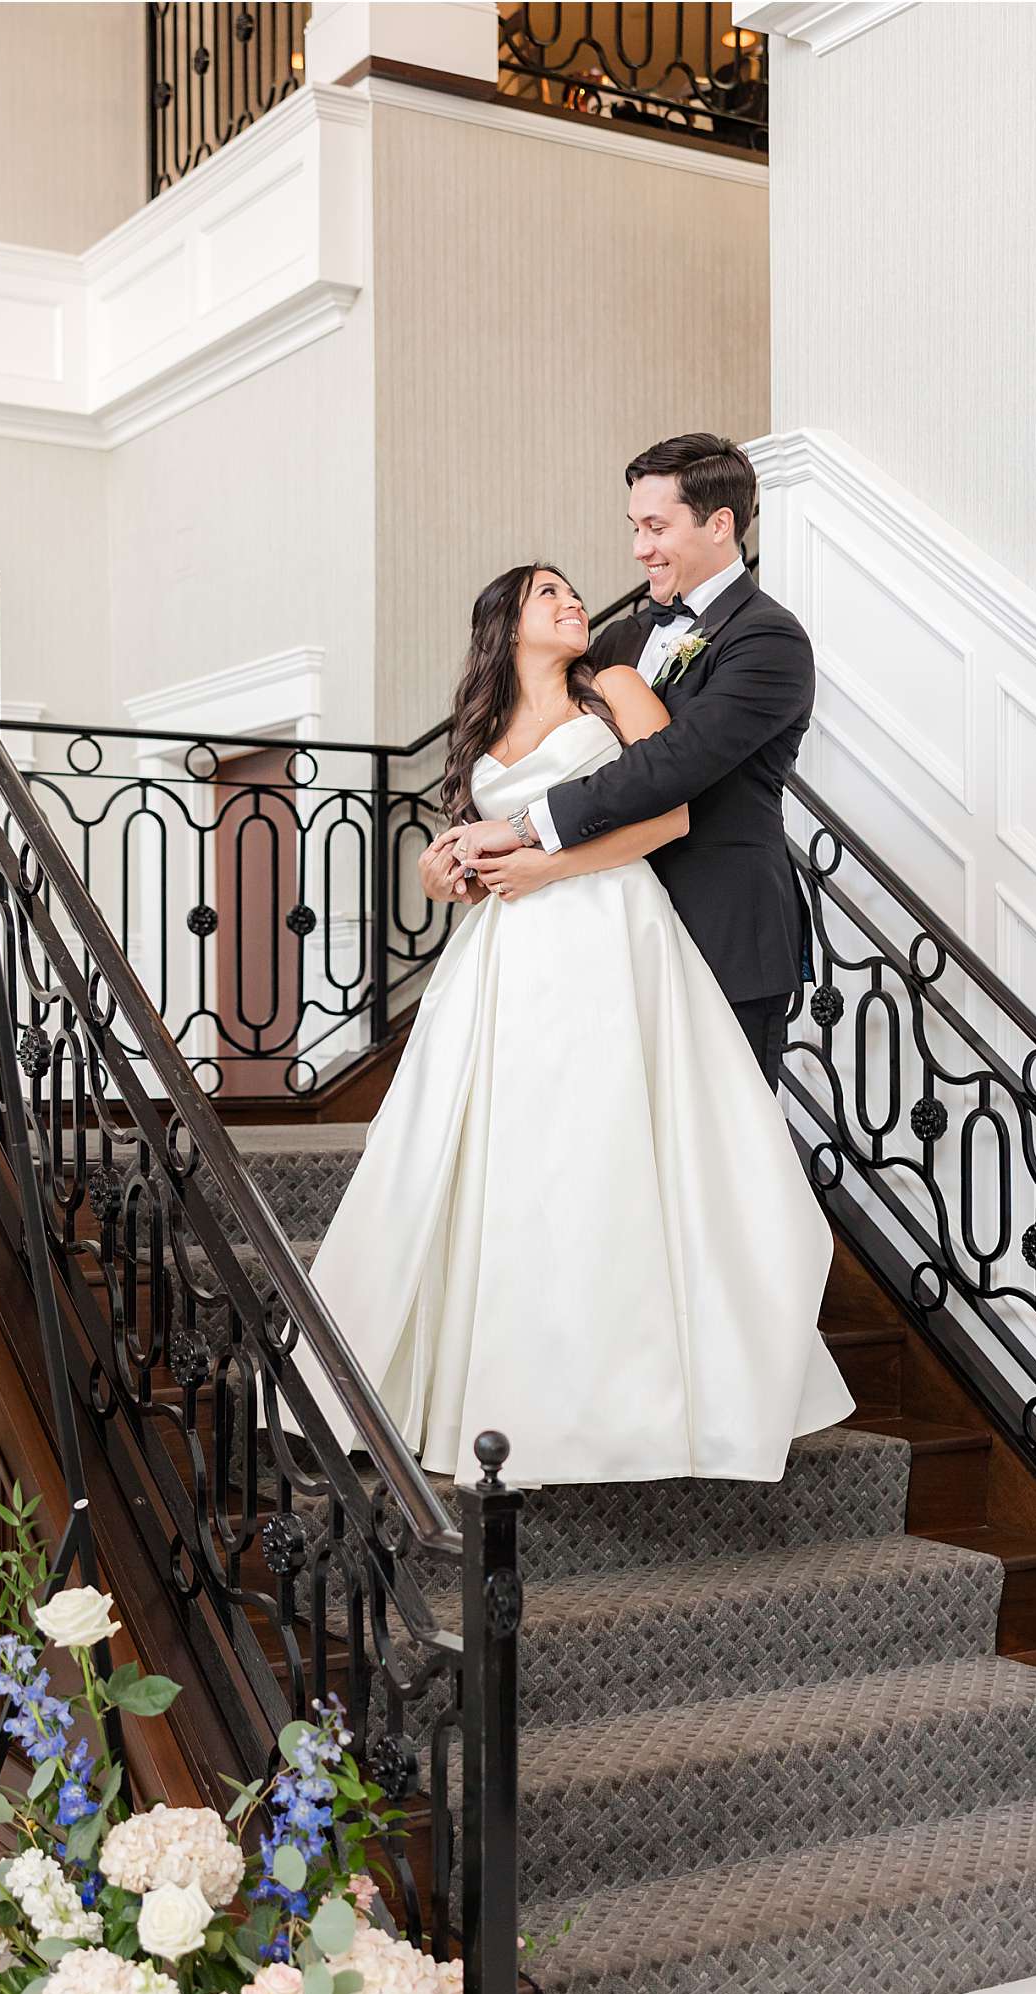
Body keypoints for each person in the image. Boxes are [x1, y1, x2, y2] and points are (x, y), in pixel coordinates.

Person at [284, 554, 853, 1490]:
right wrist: (447, 870)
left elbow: (669, 816)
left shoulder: (619, 687)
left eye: (573, 591)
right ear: (510, 626)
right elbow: (464, 860)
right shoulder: (481, 734)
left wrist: (552, 866)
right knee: (505, 1154)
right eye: (551, 594)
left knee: (609, 1143)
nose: (575, 601)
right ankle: (487, 1385)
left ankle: (635, 1400)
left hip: (612, 928)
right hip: (508, 959)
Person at [430, 431, 816, 1091]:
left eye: (657, 527)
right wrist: (464, 860)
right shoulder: (621, 638)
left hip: (719, 926)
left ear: (719, 524)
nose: (640, 548)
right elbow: (549, 743)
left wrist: (523, 828)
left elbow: (671, 765)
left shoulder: (769, 640)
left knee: (721, 1153)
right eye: (636, 527)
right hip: (607, 936)